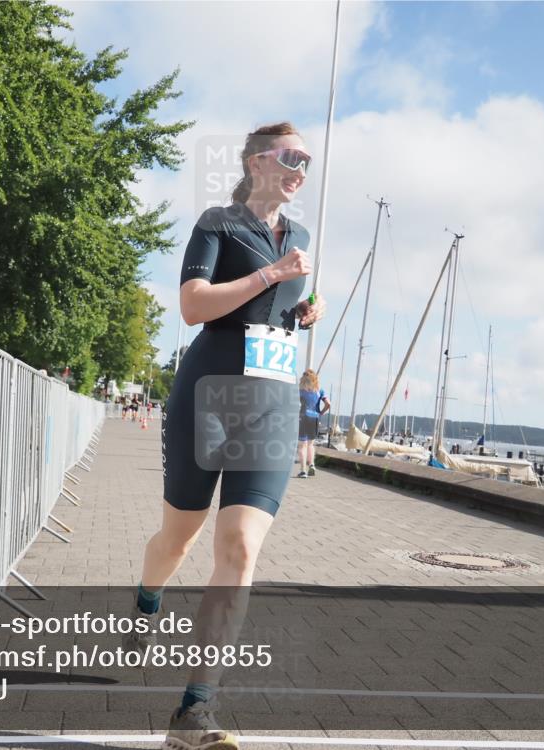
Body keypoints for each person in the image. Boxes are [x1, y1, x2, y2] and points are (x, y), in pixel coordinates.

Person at [124, 122, 326, 750]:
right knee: (177, 538)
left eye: (307, 161)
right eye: (290, 157)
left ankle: (194, 711)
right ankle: (147, 598)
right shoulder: (218, 222)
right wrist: (271, 277)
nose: (299, 169)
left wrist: (302, 313)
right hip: (208, 395)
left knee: (238, 545)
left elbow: (276, 310)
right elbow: (194, 306)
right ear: (256, 161)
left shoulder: (301, 237)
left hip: (271, 402)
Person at [296, 369, 330, 478]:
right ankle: (312, 464)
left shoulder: (300, 390)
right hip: (314, 418)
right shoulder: (320, 391)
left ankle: (303, 471)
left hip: (303, 418)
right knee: (310, 444)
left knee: (302, 445)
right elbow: (328, 404)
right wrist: (321, 413)